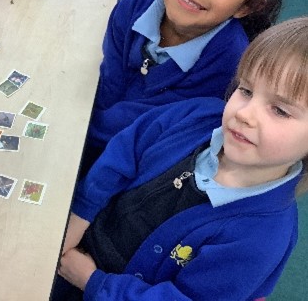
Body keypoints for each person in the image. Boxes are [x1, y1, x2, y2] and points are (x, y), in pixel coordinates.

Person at [54, 16, 308, 300]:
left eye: (280, 111)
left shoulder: (261, 238)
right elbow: (126, 150)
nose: (244, 114)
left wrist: (93, 282)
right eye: (246, 90)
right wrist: (78, 219)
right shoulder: (197, 116)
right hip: (75, 242)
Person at [82, 0, 291, 172]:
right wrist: (80, 123)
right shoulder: (137, 1)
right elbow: (110, 78)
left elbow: (147, 128)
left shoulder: (229, 65)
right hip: (91, 132)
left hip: (135, 163)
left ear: (247, 6)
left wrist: (77, 135)